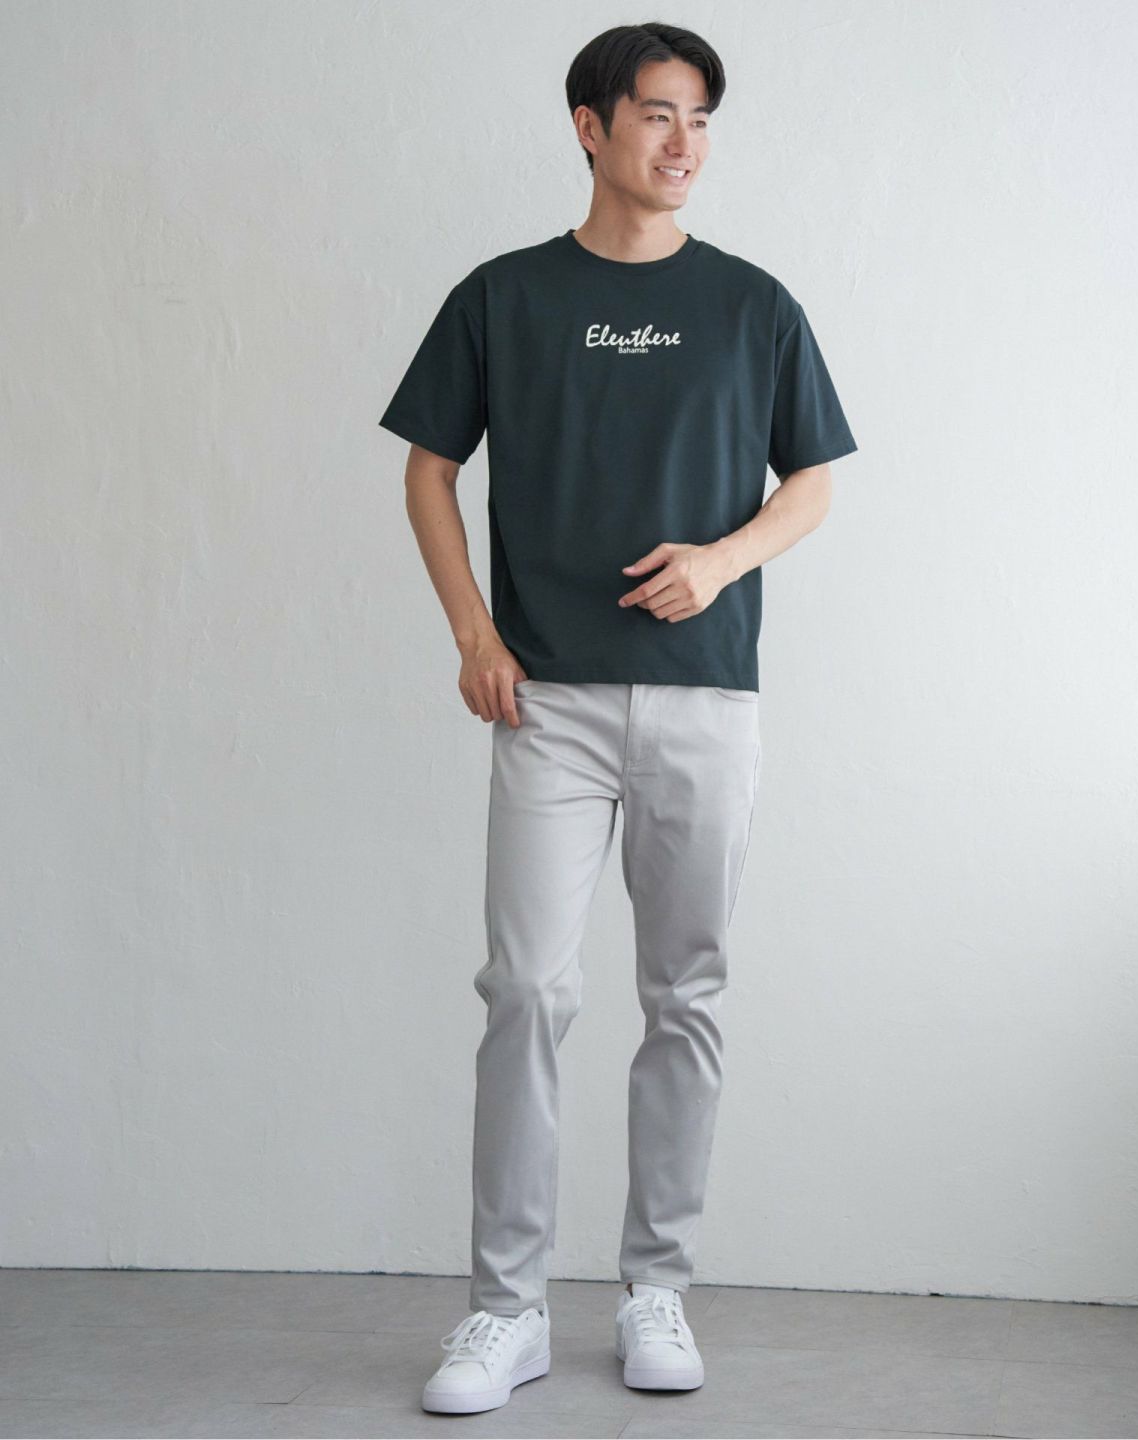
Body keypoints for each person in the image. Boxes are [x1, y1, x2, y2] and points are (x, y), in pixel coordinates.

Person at [378, 19, 858, 1417]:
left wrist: (722, 560)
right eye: (657, 114)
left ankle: (658, 1287)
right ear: (590, 127)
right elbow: (427, 469)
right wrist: (474, 635)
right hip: (550, 704)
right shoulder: (505, 297)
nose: (683, 142)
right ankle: (506, 1309)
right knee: (527, 991)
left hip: (707, 697)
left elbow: (814, 481)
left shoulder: (755, 305)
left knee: (685, 994)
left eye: (700, 118)